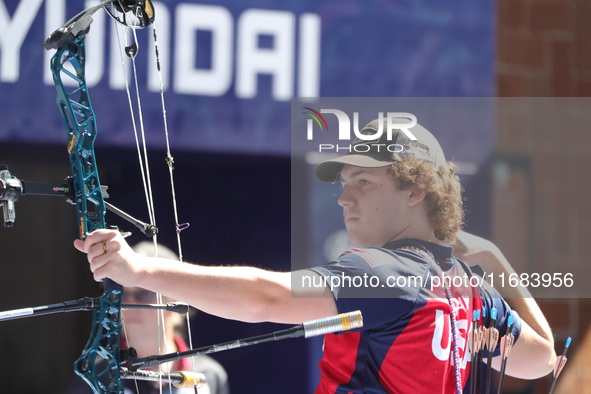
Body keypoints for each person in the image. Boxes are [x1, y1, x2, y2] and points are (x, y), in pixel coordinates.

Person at [74, 117, 556, 393]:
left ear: (418, 190)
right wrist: (493, 258)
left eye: (364, 182)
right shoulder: (471, 291)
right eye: (344, 185)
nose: (345, 200)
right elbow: (542, 358)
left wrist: (140, 270)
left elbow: (266, 298)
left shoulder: (385, 271)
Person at [68, 242, 229, 394]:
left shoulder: (209, 374)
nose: (128, 304)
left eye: (144, 294)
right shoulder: (94, 376)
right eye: (120, 295)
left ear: (175, 301)